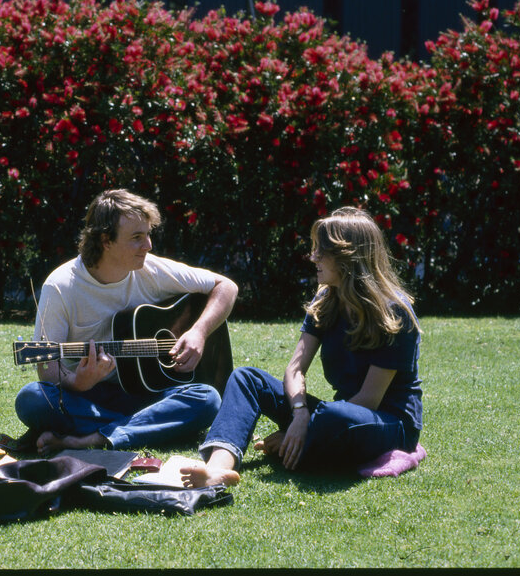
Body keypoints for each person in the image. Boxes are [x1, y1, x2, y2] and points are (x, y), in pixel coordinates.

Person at [180, 207, 422, 487]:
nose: (313, 257)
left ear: (348, 257)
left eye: (322, 251)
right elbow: (295, 369)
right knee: (248, 378)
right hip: (338, 415)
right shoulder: (326, 301)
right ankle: (218, 467)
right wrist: (300, 412)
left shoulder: (394, 313)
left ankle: (303, 446)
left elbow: (369, 400)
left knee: (335, 415)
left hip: (387, 423)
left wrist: (305, 430)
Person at [13, 189, 238, 455]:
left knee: (208, 398)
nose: (148, 245)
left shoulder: (151, 269)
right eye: (137, 237)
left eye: (148, 234)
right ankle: (137, 429)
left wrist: (199, 332)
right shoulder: (61, 286)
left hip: (150, 394)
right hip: (91, 398)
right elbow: (49, 373)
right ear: (106, 240)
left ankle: (91, 438)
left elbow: (226, 286)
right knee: (32, 399)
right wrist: (79, 382)